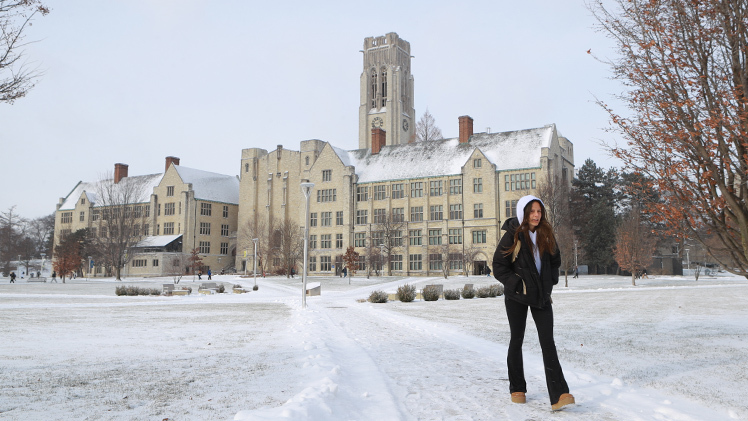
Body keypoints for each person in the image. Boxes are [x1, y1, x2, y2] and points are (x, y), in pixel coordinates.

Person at [492, 195, 575, 411]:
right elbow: (498, 266)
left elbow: (555, 261)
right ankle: (517, 388)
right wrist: (517, 284)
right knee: (516, 339)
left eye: (539, 211)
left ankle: (559, 394)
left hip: (541, 296)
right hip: (517, 297)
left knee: (548, 343)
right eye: (532, 211)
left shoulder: (546, 233)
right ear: (524, 213)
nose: (536, 215)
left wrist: (550, 280)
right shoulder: (513, 235)